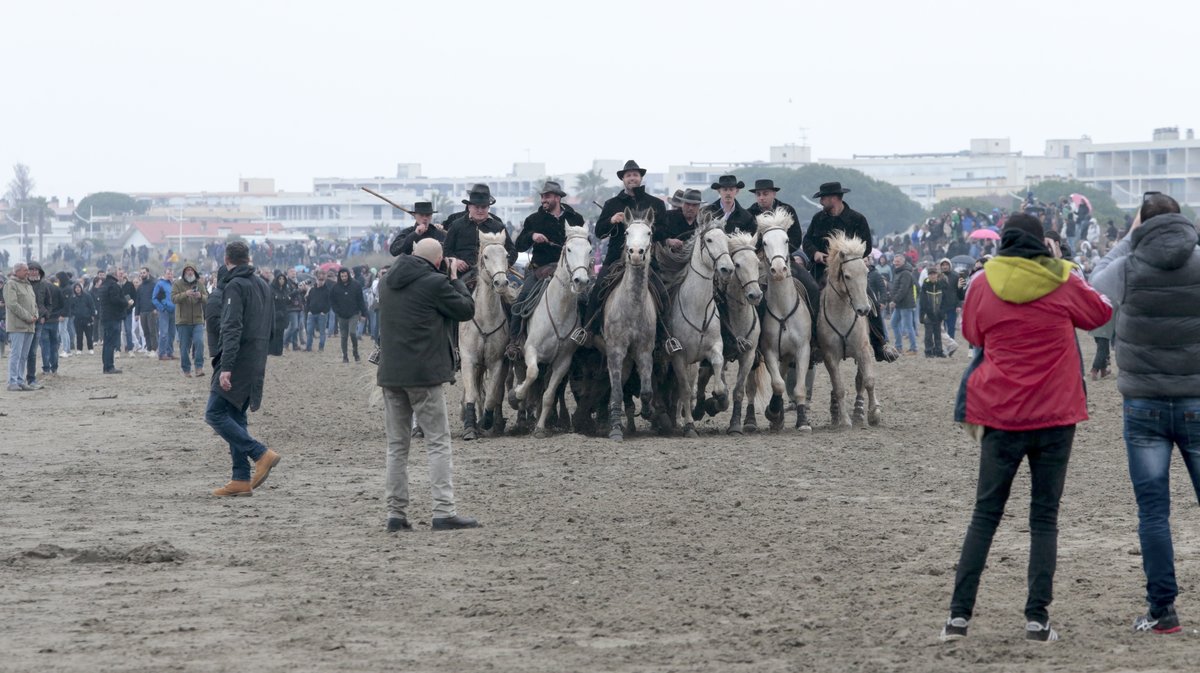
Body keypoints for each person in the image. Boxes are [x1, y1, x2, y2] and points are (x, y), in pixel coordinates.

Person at [942, 213, 1112, 643]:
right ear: (1043, 244)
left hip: (1000, 413)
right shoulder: (1064, 279)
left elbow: (971, 333)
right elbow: (1099, 315)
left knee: (985, 515)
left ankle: (958, 618)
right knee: (1044, 519)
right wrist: (1068, 267)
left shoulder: (982, 282)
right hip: (1055, 415)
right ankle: (1037, 620)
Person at [1089, 194, 1200, 634]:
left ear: (1141, 225)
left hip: (1144, 404)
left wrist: (1127, 239)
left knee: (1154, 513)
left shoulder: (1129, 265)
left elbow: (1096, 283)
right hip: (1197, 398)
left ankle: (1163, 611)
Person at [377, 238, 479, 532]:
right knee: (437, 443)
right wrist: (455, 279)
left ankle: (395, 515)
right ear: (437, 261)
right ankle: (443, 512)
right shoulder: (435, 283)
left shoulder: (386, 283)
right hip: (424, 376)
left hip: (391, 375)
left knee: (397, 447)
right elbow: (465, 309)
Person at [205, 241, 281, 497]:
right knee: (235, 416)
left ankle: (260, 454)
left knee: (214, 413)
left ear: (227, 260)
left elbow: (231, 327)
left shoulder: (236, 286)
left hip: (237, 360)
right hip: (256, 359)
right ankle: (240, 478)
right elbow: (272, 327)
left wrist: (226, 367)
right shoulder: (263, 284)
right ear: (248, 258)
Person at [803, 182, 899, 362]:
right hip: (822, 269)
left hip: (852, 270)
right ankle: (812, 343)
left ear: (834, 198)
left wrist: (851, 257)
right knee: (810, 297)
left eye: (823, 198)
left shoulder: (857, 219)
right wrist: (815, 253)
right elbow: (807, 241)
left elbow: (867, 246)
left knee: (870, 298)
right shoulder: (818, 219)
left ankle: (880, 343)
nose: (821, 201)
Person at [587, 160, 669, 333]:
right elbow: (599, 232)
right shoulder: (612, 204)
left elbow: (664, 232)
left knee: (663, 295)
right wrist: (611, 220)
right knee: (596, 292)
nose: (632, 178)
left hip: (647, 261)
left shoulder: (656, 204)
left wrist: (646, 228)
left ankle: (665, 337)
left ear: (640, 178)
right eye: (628, 175)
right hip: (616, 260)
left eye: (635, 175)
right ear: (623, 179)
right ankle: (588, 333)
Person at [506, 180, 585, 358]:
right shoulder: (533, 219)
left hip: (570, 271)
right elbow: (519, 245)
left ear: (557, 198)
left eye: (547, 196)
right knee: (521, 301)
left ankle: (585, 338)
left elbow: (584, 243)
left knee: (586, 299)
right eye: (542, 197)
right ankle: (514, 342)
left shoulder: (575, 218)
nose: (543, 200)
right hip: (540, 269)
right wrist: (532, 235)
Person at [746, 178, 821, 343]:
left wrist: (781, 253)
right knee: (752, 294)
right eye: (758, 194)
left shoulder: (787, 210)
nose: (761, 197)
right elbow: (749, 242)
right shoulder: (749, 214)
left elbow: (796, 238)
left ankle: (814, 336)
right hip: (759, 263)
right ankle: (756, 339)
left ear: (773, 193)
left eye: (765, 194)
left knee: (813, 288)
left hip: (785, 260)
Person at [441, 185, 516, 277]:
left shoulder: (498, 226)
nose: (480, 210)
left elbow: (512, 251)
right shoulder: (456, 225)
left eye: (483, 207)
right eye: (477, 207)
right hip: (461, 274)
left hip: (492, 275)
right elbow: (446, 250)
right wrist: (456, 261)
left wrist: (502, 266)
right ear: (469, 207)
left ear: (488, 208)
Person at [4, 263, 39, 391]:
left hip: (30, 326)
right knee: (16, 354)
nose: (28, 272)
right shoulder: (11, 284)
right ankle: (12, 381)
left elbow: (34, 303)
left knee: (24, 355)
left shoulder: (28, 285)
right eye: (25, 270)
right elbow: (12, 304)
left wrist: (35, 315)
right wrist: (28, 317)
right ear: (17, 271)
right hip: (17, 326)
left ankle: (20, 380)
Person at [172, 263, 208, 377]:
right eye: (187, 270)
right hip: (182, 321)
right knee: (184, 347)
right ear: (184, 272)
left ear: (195, 272)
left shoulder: (200, 284)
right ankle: (186, 369)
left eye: (192, 270)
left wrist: (200, 296)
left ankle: (199, 368)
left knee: (199, 343)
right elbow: (173, 298)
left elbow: (207, 298)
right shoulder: (177, 284)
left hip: (197, 320)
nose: (190, 272)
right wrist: (185, 294)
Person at [330, 267, 368, 363]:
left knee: (352, 333)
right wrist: (337, 311)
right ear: (339, 276)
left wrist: (364, 313)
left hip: (354, 314)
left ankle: (355, 353)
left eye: (345, 275)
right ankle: (345, 356)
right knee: (343, 336)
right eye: (342, 276)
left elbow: (361, 300)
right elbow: (332, 301)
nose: (344, 277)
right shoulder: (335, 287)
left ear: (348, 275)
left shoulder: (356, 285)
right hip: (341, 315)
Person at [98, 267, 131, 374]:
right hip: (113, 317)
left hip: (106, 317)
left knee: (107, 343)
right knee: (111, 343)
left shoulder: (104, 285)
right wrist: (126, 303)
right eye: (119, 273)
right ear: (114, 275)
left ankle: (106, 367)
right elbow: (115, 300)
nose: (121, 275)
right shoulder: (113, 285)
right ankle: (110, 366)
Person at [887, 254, 918, 354]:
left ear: (903, 262)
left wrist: (894, 300)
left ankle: (914, 348)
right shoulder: (898, 272)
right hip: (900, 304)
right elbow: (896, 288)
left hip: (906, 304)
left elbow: (903, 289)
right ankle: (899, 347)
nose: (896, 262)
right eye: (895, 261)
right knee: (894, 323)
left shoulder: (905, 273)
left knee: (908, 327)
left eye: (898, 261)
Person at [918, 265, 947, 357]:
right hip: (928, 315)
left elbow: (945, 300)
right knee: (928, 335)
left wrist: (942, 312)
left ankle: (939, 351)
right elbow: (923, 303)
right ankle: (928, 351)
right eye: (930, 274)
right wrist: (927, 315)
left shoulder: (941, 284)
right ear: (928, 275)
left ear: (937, 275)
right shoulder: (925, 286)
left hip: (938, 314)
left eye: (934, 274)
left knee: (938, 334)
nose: (932, 276)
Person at [304, 271, 333, 352]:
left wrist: (324, 312)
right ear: (316, 280)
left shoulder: (327, 290)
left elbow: (329, 303)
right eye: (319, 280)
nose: (320, 281)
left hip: (322, 315)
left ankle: (321, 347)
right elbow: (308, 301)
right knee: (309, 331)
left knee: (322, 332)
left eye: (322, 280)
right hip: (311, 314)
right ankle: (308, 347)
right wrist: (308, 311)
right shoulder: (312, 290)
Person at [153, 269, 177, 360]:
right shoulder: (160, 284)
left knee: (172, 333)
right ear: (164, 274)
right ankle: (161, 353)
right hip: (164, 312)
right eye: (168, 273)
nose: (170, 275)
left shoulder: (174, 285)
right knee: (164, 333)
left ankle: (169, 352)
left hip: (173, 311)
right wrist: (162, 308)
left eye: (171, 273)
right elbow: (154, 298)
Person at [136, 267, 158, 357]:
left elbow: (157, 297)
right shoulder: (140, 287)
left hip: (151, 311)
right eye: (141, 273)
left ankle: (154, 349)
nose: (142, 274)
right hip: (142, 312)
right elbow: (138, 301)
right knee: (145, 332)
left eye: (144, 273)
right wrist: (136, 313)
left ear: (148, 273)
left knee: (152, 331)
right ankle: (148, 349)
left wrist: (156, 308)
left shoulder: (153, 285)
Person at [69, 282, 97, 355]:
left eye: (79, 287)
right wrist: (74, 313)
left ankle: (90, 348)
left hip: (87, 318)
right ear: (74, 289)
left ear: (81, 288)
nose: (77, 289)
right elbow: (70, 307)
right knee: (79, 335)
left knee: (89, 335)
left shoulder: (87, 296)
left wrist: (92, 315)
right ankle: (79, 349)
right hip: (77, 319)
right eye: (76, 288)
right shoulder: (73, 297)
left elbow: (92, 305)